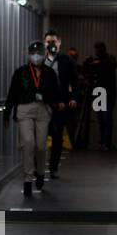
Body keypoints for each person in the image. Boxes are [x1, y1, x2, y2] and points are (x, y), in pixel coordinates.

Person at [4, 40, 60, 198]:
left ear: (43, 55)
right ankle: (28, 179)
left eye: (38, 54)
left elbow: (56, 94)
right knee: (28, 142)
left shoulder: (49, 73)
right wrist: (7, 113)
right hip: (24, 108)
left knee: (41, 145)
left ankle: (40, 172)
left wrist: (49, 100)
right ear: (28, 55)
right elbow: (12, 93)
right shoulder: (21, 72)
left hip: (43, 109)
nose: (35, 56)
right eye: (32, 53)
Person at [42, 30, 79, 178]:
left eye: (54, 42)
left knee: (57, 137)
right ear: (45, 43)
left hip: (60, 105)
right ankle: (37, 166)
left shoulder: (67, 60)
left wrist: (73, 98)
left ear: (59, 43)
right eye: (48, 42)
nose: (51, 44)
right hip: (42, 105)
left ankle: (53, 168)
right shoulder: (38, 59)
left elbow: (75, 81)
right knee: (39, 137)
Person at [90, 40, 117, 150]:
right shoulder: (96, 61)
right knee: (101, 119)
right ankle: (102, 142)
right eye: (96, 49)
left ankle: (106, 143)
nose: (96, 51)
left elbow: (111, 64)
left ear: (103, 49)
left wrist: (97, 63)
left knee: (107, 119)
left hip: (108, 93)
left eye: (98, 49)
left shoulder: (110, 59)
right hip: (99, 92)